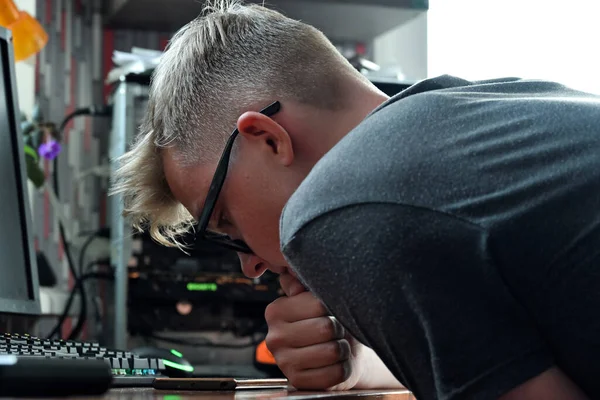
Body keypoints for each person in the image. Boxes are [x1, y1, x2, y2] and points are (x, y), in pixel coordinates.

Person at [109, 1, 600, 399]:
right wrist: (359, 361)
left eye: (227, 220)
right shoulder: (492, 109)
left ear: (267, 139)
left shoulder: (348, 206)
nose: (249, 268)